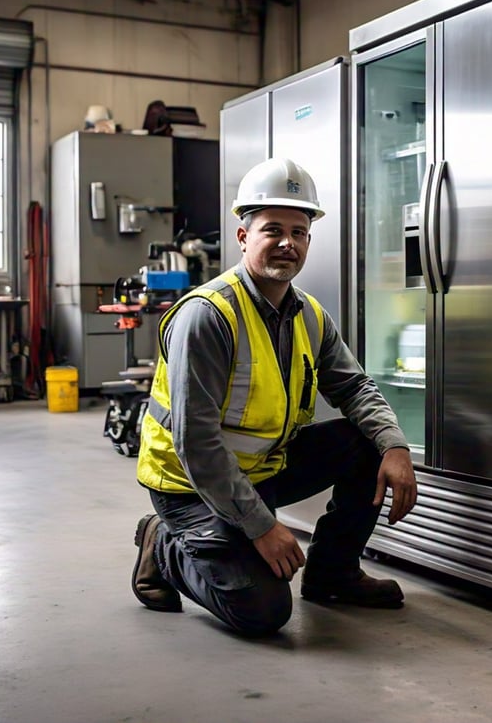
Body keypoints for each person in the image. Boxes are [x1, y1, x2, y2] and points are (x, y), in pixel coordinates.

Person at [132, 157, 417, 636]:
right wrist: (261, 526)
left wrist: (395, 445)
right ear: (244, 237)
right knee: (262, 611)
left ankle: (333, 574)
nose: (288, 243)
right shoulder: (208, 316)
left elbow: (353, 386)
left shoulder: (309, 315)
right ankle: (163, 544)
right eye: (273, 230)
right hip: (190, 487)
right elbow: (196, 442)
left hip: (264, 467)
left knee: (367, 442)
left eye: (299, 232)